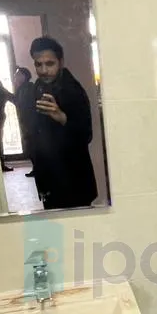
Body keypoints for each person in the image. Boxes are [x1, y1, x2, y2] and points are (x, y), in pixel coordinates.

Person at [16, 36, 98, 209]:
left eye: (49, 64)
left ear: (60, 62)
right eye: (38, 64)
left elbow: (86, 135)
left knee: (78, 225)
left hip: (73, 181)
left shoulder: (72, 90)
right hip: (49, 177)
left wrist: (62, 117)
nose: (44, 70)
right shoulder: (39, 86)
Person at [12, 66, 36, 176]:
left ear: (24, 76)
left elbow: (25, 106)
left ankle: (38, 169)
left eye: (18, 75)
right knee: (30, 148)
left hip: (31, 125)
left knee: (33, 148)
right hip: (26, 124)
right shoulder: (21, 89)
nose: (15, 77)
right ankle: (36, 169)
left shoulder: (29, 88)